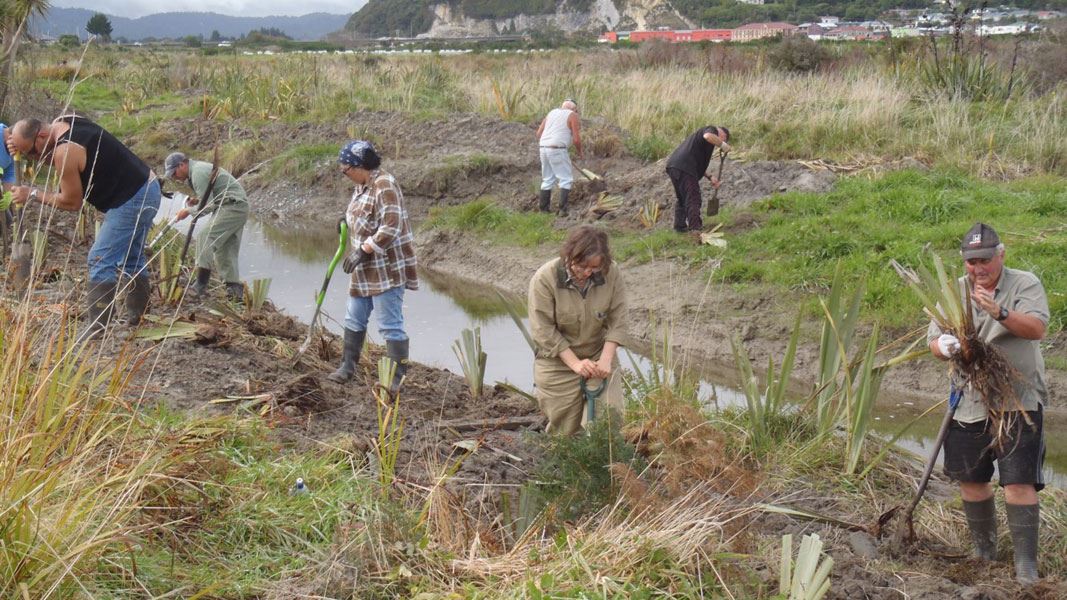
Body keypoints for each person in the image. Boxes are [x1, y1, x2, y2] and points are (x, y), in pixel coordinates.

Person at [928, 223, 1048, 585]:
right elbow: (932, 341)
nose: (978, 268)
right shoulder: (956, 291)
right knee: (971, 480)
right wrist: (945, 346)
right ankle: (984, 553)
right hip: (968, 400)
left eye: (985, 260)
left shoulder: (1024, 284)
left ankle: (1025, 565)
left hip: (1018, 400)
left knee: (1018, 483)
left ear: (1001, 255)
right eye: (971, 262)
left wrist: (1000, 313)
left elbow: (1037, 329)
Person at [6, 116, 160, 338]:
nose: (33, 160)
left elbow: (71, 202)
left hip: (134, 199)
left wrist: (31, 193)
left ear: (40, 136)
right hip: (148, 185)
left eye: (31, 153)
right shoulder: (64, 121)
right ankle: (139, 317)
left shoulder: (65, 151)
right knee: (131, 257)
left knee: (99, 258)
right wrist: (18, 143)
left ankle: (97, 328)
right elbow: (52, 155)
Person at [327, 140, 418, 392]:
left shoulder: (384, 184)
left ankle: (396, 378)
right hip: (364, 269)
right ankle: (347, 367)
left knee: (390, 323)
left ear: (359, 165)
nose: (345, 174)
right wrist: (345, 220)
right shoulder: (362, 185)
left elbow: (391, 225)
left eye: (346, 169)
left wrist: (364, 251)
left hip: (385, 266)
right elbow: (364, 213)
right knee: (354, 317)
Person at [528, 226, 626, 435]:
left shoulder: (611, 273)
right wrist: (575, 363)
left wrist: (606, 360)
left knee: (609, 419)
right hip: (557, 362)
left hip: (599, 357)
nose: (587, 273)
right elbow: (543, 329)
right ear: (570, 255)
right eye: (581, 266)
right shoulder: (545, 278)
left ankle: (604, 465)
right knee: (565, 430)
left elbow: (619, 320)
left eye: (594, 268)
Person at [163, 151, 249, 300]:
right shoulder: (196, 171)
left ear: (182, 165)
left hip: (232, 206)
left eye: (174, 172)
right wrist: (196, 201)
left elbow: (208, 206)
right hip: (234, 205)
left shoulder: (198, 172)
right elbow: (209, 197)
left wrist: (188, 211)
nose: (174, 177)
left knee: (205, 237)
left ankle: (200, 285)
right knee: (225, 248)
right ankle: (234, 290)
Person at [665, 125, 730, 236]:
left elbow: (697, 164)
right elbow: (708, 136)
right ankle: (695, 228)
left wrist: (710, 177)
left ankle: (679, 227)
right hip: (684, 167)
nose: (720, 142)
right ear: (722, 134)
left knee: (682, 198)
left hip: (674, 166)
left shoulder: (703, 145)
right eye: (724, 138)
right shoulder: (711, 130)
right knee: (693, 197)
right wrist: (723, 145)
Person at [535, 99, 583, 216]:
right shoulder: (572, 115)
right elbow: (576, 139)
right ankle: (562, 210)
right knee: (565, 179)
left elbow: (538, 134)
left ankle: (543, 210)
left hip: (543, 147)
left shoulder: (551, 113)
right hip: (557, 148)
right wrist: (580, 152)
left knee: (547, 179)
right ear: (574, 109)